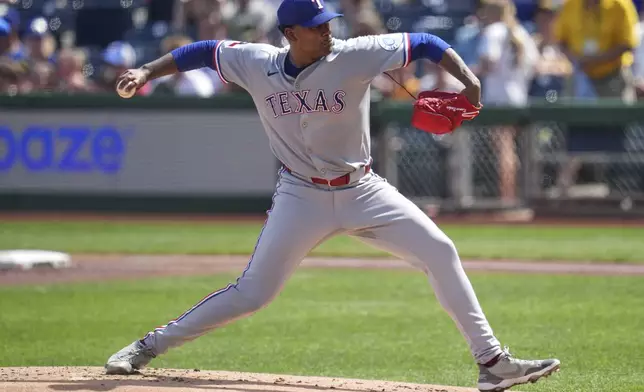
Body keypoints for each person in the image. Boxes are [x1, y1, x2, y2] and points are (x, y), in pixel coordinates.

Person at [104, 0, 561, 390]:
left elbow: (425, 43)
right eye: (317, 25)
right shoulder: (256, 62)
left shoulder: (354, 53)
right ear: (290, 33)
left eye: (329, 21)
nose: (328, 30)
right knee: (253, 293)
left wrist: (468, 79)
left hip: (363, 189)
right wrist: (146, 70)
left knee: (440, 251)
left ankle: (491, 363)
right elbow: (204, 51)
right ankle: (148, 346)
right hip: (300, 196)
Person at [475, 0, 539, 204]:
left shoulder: (494, 30)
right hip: (518, 98)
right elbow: (536, 65)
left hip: (499, 99)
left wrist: (466, 74)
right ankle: (515, 192)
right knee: (510, 148)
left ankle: (508, 197)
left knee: (504, 149)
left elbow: (489, 62)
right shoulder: (520, 32)